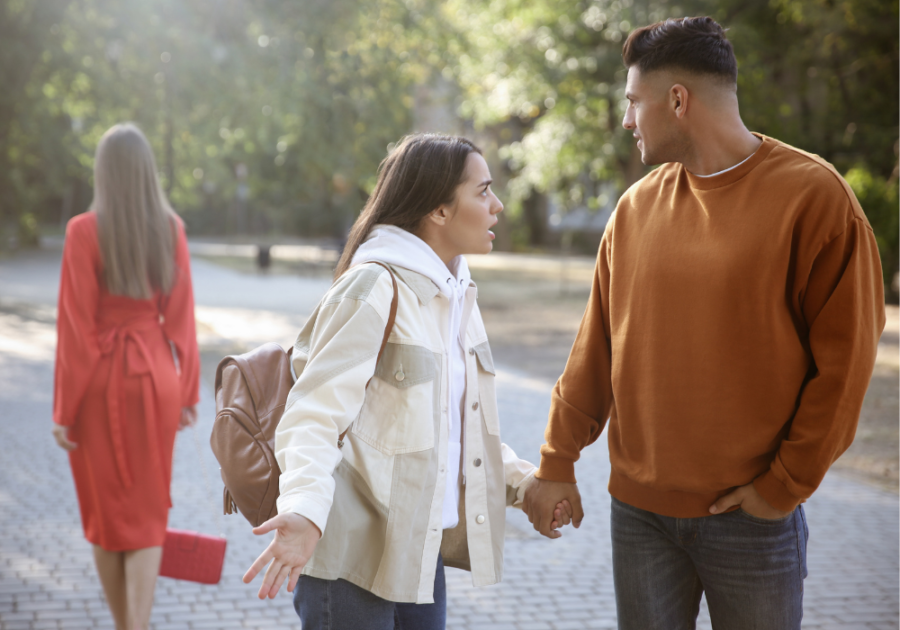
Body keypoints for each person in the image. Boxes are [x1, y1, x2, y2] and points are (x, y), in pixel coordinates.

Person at [523, 16, 886, 630]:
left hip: (750, 519)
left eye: (634, 101)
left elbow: (844, 368)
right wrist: (557, 460)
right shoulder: (635, 209)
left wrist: (783, 487)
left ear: (679, 100)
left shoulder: (815, 198)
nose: (627, 119)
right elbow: (596, 351)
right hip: (638, 517)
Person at [242, 134, 540, 629]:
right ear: (439, 210)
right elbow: (314, 413)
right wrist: (303, 510)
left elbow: (456, 432)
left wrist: (523, 484)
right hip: (350, 564)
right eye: (483, 191)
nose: (497, 205)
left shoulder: (456, 296)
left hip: (419, 554)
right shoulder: (375, 286)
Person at [52, 123, 200, 630]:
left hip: (100, 381)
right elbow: (182, 316)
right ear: (146, 172)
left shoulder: (82, 231)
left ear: (104, 173)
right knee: (145, 515)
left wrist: (64, 409)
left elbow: (75, 330)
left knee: (104, 519)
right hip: (155, 375)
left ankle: (126, 626)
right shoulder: (171, 228)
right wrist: (187, 390)